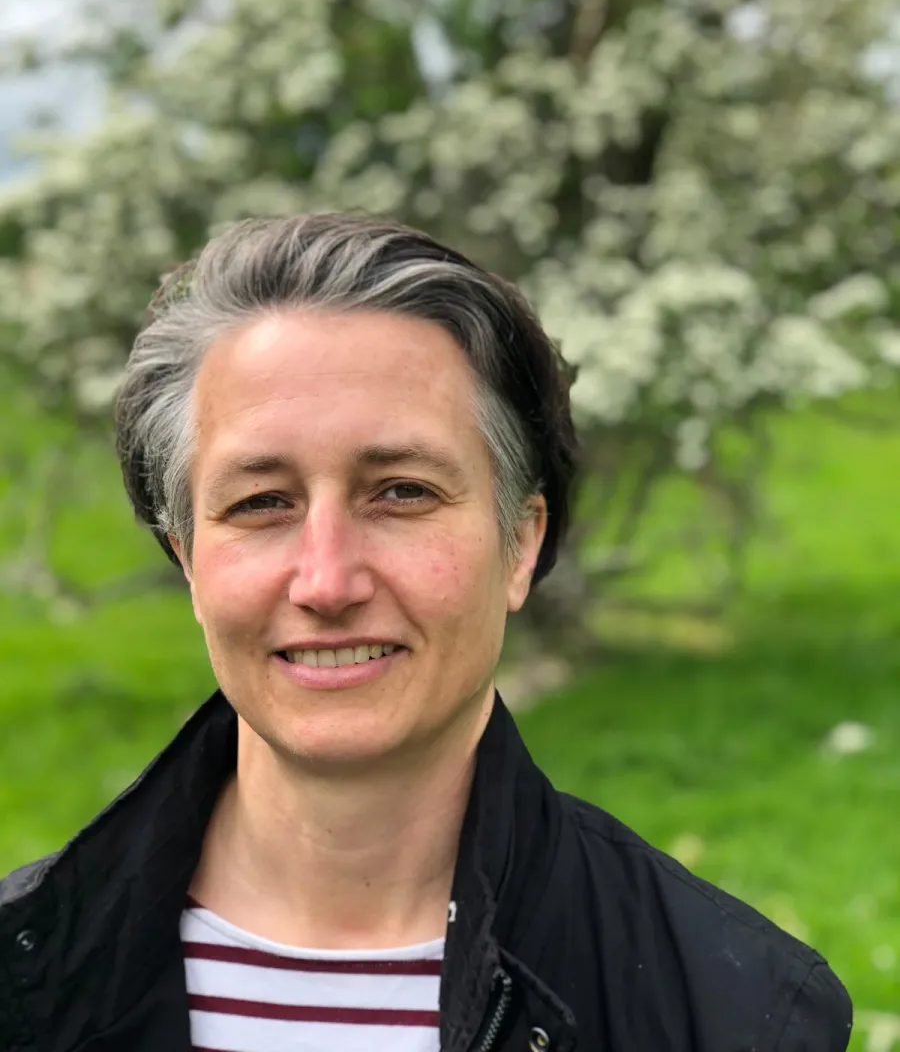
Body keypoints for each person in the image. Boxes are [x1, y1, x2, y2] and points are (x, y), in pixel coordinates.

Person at [0, 214, 851, 1052]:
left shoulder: (738, 1014)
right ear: (188, 560)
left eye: (401, 492)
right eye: (262, 503)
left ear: (521, 544)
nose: (327, 581)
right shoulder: (18, 986)